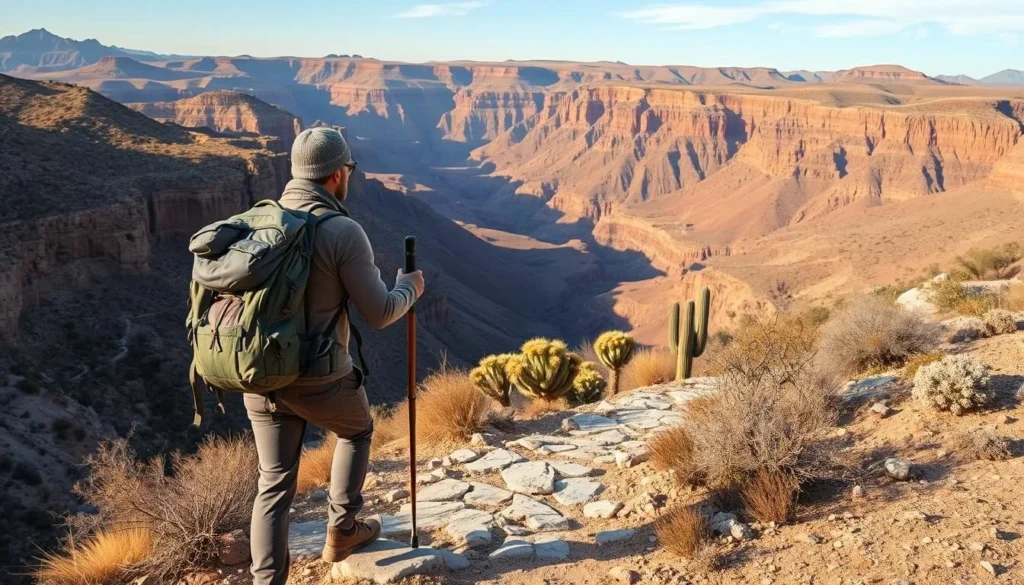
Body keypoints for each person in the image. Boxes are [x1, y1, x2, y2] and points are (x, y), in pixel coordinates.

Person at [244, 127, 425, 585]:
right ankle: (343, 529)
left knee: (274, 481)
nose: (350, 176)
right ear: (337, 174)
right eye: (350, 169)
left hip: (260, 373)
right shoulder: (342, 231)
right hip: (318, 377)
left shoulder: (256, 220)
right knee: (358, 430)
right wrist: (410, 287)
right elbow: (381, 312)